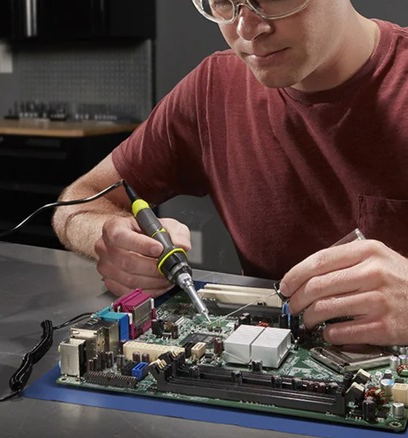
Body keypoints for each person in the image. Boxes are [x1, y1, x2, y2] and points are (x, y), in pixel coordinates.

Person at [52, 0, 408, 346]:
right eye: (224, 2)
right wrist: (114, 241)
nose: (247, 29)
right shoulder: (214, 89)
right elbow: (75, 205)